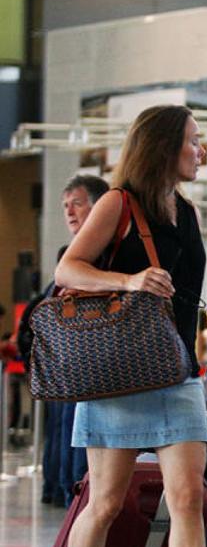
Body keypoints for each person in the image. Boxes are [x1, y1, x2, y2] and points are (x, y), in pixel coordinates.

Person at [52, 105, 207, 547]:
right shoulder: (116, 203)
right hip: (118, 375)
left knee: (188, 501)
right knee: (105, 503)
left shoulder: (191, 212)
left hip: (177, 375)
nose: (201, 152)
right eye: (193, 143)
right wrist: (128, 279)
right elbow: (68, 270)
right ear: (162, 148)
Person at [33, 174, 107, 506]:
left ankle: (72, 492)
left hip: (95, 371)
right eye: (65, 205)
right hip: (67, 369)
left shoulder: (106, 257)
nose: (69, 212)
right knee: (64, 434)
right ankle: (62, 490)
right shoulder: (70, 261)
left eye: (77, 203)